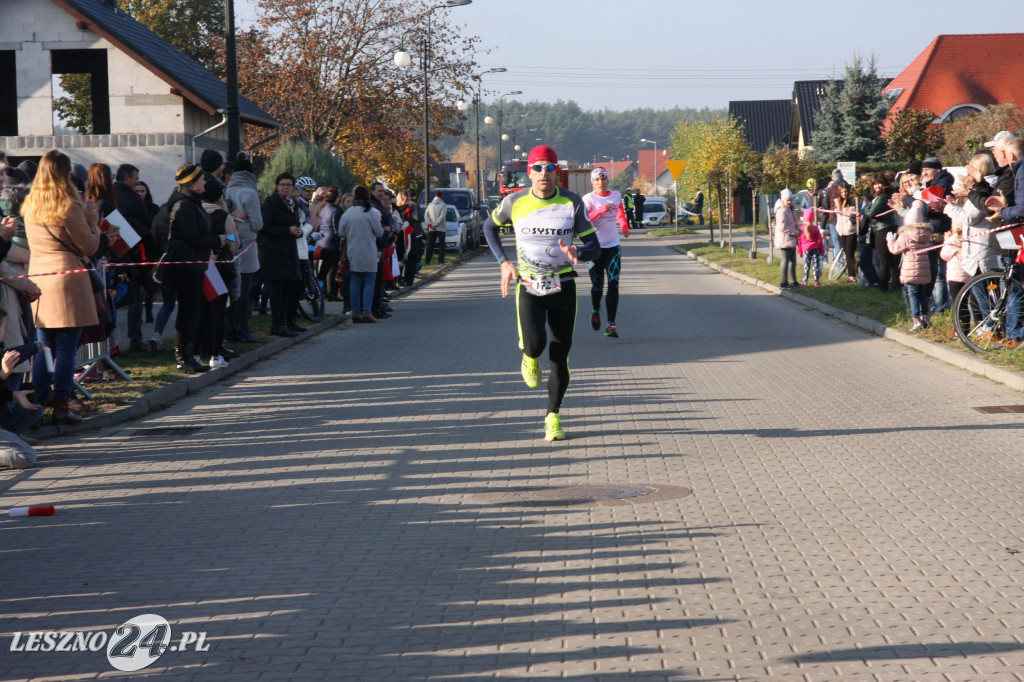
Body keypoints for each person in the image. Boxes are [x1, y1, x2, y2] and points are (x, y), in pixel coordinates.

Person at [481, 145, 600, 441]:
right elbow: (488, 228)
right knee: (536, 346)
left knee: (560, 355)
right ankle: (529, 355)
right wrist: (504, 263)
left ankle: (552, 416)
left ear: (557, 171)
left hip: (564, 284)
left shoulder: (572, 203)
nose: (543, 173)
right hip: (529, 286)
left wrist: (579, 253)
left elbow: (595, 246)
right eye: (538, 168)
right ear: (529, 173)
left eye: (549, 168)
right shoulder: (514, 202)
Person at [22, 149, 103, 423]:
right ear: (66, 174)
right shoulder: (68, 204)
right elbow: (89, 246)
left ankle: (39, 400)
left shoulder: (30, 204)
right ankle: (61, 403)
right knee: (68, 346)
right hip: (68, 278)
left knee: (45, 346)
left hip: (40, 278)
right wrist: (95, 224)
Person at [160, 163, 225, 372]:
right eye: (201, 179)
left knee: (192, 311)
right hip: (185, 266)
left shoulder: (193, 203)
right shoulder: (184, 205)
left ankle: (188, 356)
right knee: (187, 312)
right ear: (192, 184)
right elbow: (192, 237)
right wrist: (217, 239)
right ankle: (183, 358)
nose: (205, 182)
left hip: (195, 265)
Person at [581, 167, 630, 337]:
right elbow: (584, 220)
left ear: (607, 180)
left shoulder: (616, 195)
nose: (600, 183)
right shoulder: (588, 199)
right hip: (594, 248)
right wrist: (601, 210)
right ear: (592, 183)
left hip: (613, 246)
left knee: (614, 283)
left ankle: (611, 324)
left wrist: (624, 226)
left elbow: (620, 213)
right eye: (597, 180)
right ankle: (596, 309)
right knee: (597, 286)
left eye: (603, 179)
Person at [223, 151, 263, 344]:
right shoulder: (250, 193)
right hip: (247, 246)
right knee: (245, 289)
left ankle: (230, 329)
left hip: (230, 244)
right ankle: (242, 329)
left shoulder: (227, 191)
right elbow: (258, 224)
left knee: (232, 290)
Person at [260, 172, 304, 337]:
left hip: (289, 251)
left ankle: (286, 322)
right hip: (275, 252)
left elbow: (296, 223)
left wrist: (297, 232)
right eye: (282, 185)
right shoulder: (271, 203)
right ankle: (277, 324)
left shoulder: (292, 204)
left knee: (289, 288)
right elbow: (265, 228)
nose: (285, 188)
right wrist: (287, 230)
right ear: (277, 186)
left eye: (288, 185)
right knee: (278, 290)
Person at [337, 185, 383, 323]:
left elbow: (341, 232)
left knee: (355, 282)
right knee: (369, 281)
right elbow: (379, 232)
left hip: (353, 251)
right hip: (368, 250)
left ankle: (355, 312)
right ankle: (367, 311)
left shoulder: (348, 213)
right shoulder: (370, 213)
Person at [887, 221, 933, 331]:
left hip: (910, 269)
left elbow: (894, 250)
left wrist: (890, 241)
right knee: (922, 294)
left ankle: (916, 320)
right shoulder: (926, 233)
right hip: (924, 268)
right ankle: (926, 318)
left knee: (912, 295)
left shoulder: (906, 234)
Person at [864, 174, 899, 292]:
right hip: (886, 228)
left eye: (879, 183)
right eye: (874, 184)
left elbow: (871, 213)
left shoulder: (883, 197)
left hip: (883, 229)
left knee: (883, 260)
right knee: (891, 260)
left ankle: (883, 287)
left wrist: (866, 208)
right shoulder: (881, 196)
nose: (877, 186)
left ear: (884, 184)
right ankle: (895, 285)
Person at [774, 189, 799, 290]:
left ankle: (793, 281)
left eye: (790, 200)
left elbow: (793, 222)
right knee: (785, 260)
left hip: (791, 238)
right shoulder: (782, 210)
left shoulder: (790, 209)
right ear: (783, 200)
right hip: (785, 239)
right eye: (787, 200)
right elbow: (782, 226)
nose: (789, 202)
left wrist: (798, 229)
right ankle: (783, 282)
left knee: (793, 260)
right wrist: (795, 232)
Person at [833, 184, 858, 281]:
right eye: (842, 192)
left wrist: (852, 221)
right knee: (847, 253)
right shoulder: (837, 203)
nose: (844, 193)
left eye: (846, 191)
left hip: (851, 230)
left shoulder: (852, 202)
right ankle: (852, 273)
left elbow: (855, 215)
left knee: (849, 252)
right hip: (841, 231)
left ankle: (852, 275)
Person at [797, 208, 824, 286]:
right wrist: (822, 250)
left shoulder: (801, 229)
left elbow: (799, 242)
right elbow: (819, 240)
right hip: (815, 248)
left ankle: (804, 281)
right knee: (816, 265)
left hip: (806, 249)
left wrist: (800, 251)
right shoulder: (815, 228)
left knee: (806, 265)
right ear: (813, 219)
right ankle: (816, 281)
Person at [423, 191, 448, 265]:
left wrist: (430, 224)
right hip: (441, 228)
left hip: (431, 228)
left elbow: (426, 215)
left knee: (430, 245)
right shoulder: (443, 205)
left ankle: (427, 260)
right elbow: (442, 216)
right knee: (441, 245)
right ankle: (441, 260)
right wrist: (436, 224)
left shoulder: (430, 204)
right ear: (441, 197)